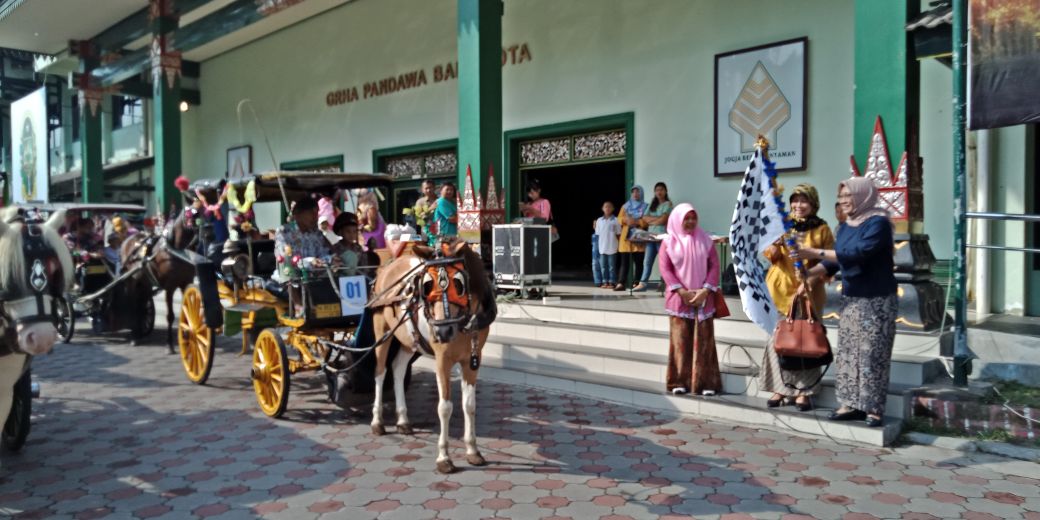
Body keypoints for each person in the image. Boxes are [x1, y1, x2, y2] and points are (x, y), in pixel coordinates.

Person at [792, 177, 897, 428]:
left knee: (872, 354)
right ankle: (850, 404)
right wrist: (809, 273)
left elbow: (857, 253)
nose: (845, 202)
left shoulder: (878, 224)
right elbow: (834, 260)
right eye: (841, 198)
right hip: (851, 297)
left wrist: (813, 252)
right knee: (849, 353)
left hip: (877, 299)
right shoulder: (845, 226)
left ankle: (873, 408)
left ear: (864, 196)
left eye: (850, 197)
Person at [759, 184, 835, 411]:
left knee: (805, 341)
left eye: (804, 201)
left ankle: (805, 391)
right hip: (780, 291)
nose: (799, 206)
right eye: (795, 201)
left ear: (813, 204)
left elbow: (830, 261)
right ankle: (779, 388)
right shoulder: (781, 225)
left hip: (808, 292)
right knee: (780, 340)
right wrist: (777, 243)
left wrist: (810, 281)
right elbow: (770, 256)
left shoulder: (822, 229)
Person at [659, 203, 722, 396]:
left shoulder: (706, 240)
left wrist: (704, 291)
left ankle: (705, 383)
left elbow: (714, 266)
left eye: (693, 217)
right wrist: (681, 291)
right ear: (678, 219)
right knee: (680, 342)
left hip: (704, 298)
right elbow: (665, 268)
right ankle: (678, 381)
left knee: (704, 343)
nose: (690, 221)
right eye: (686, 218)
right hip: (680, 299)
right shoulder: (668, 242)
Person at [274, 196, 333, 281]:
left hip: (315, 278)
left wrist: (327, 260)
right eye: (311, 213)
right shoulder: (284, 232)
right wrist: (310, 261)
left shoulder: (316, 233)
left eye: (316, 213)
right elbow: (286, 259)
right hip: (291, 278)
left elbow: (323, 253)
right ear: (298, 214)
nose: (315, 217)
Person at [640, 182, 673, 289]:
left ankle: (663, 283)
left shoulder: (668, 204)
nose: (659, 192)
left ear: (665, 191)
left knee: (663, 261)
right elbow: (644, 218)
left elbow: (663, 220)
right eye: (657, 190)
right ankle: (642, 284)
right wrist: (657, 220)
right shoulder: (652, 204)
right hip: (650, 237)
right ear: (655, 192)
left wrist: (652, 220)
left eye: (661, 190)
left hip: (662, 237)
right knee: (647, 261)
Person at [615, 185, 648, 291]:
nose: (635, 194)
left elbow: (648, 220)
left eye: (638, 192)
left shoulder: (646, 206)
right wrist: (626, 220)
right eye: (633, 192)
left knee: (639, 262)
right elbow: (618, 219)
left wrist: (638, 222)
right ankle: (621, 283)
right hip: (626, 238)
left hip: (639, 237)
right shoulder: (625, 206)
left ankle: (637, 283)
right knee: (624, 263)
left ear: (641, 193)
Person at [593, 201, 621, 289]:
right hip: (602, 247)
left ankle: (612, 282)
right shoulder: (599, 220)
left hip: (612, 247)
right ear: (602, 209)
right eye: (605, 207)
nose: (607, 208)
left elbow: (618, 234)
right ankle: (605, 281)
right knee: (603, 267)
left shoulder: (616, 220)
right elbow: (597, 234)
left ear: (613, 209)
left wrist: (619, 246)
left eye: (609, 207)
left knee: (612, 266)